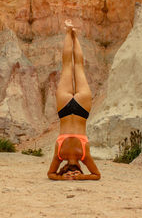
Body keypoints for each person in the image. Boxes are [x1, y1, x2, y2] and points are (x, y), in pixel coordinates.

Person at [47, 19, 101, 180]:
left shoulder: (62, 155)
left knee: (72, 66)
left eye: (70, 173)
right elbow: (96, 175)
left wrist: (63, 178)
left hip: (73, 110)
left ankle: (70, 33)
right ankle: (72, 33)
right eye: (76, 173)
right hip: (74, 110)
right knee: (72, 66)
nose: (74, 173)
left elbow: (50, 174)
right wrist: (80, 178)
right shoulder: (82, 156)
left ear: (65, 170)